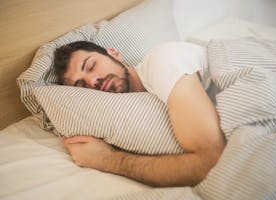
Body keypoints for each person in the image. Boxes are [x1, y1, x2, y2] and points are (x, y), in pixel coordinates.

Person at [54, 41, 226, 187]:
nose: (93, 81)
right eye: (81, 86)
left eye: (91, 66)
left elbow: (211, 162)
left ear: (113, 54)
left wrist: (106, 160)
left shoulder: (162, 61)